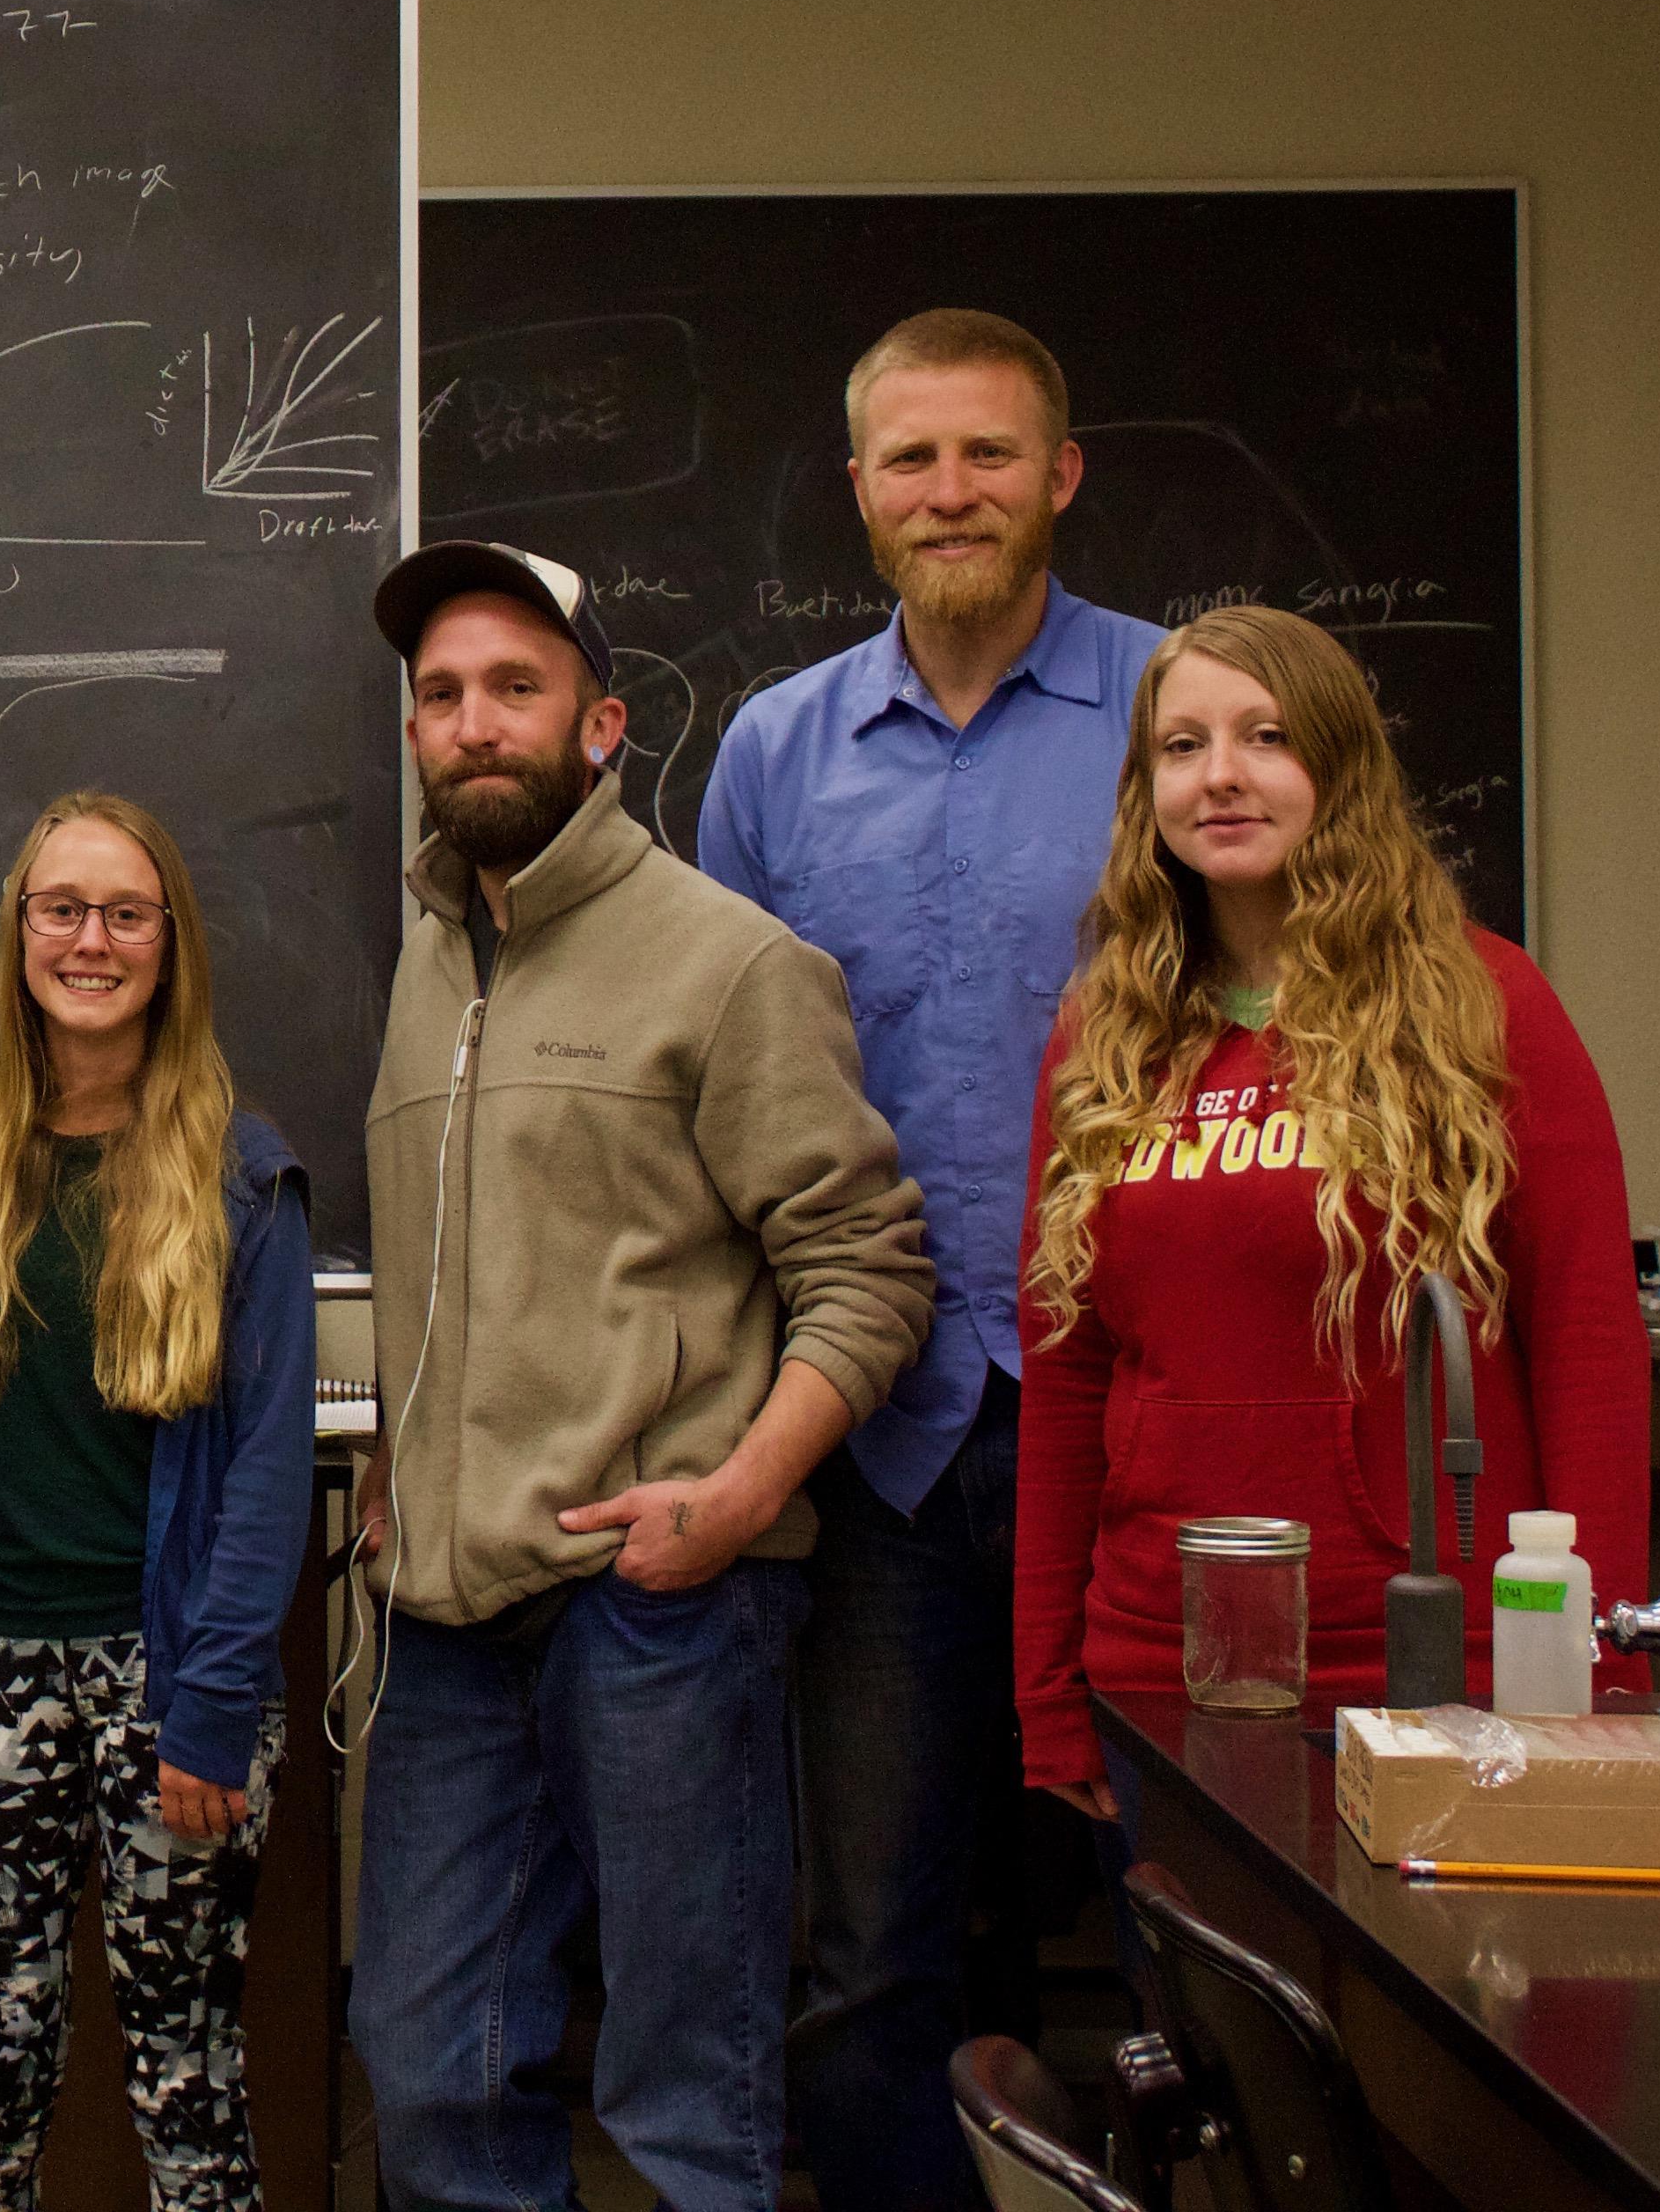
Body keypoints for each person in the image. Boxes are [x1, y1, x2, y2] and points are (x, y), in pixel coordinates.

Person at [351, 542, 930, 2212]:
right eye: (440, 696)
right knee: (425, 2070)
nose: (472, 725)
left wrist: (737, 1496)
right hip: (444, 1622)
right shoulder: (424, 963)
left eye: (512, 690)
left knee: (684, 2092)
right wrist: (404, 1442)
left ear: (598, 724)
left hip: (652, 1601)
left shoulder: (729, 963)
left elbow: (868, 1270)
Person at [691, 307, 1161, 2209]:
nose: (949, 491)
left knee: (1173, 1925)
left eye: (987, 455)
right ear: (864, 491)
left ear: (1060, 474)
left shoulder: (1176, 716)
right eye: (912, 460)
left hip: (1130, 1431)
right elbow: (713, 1092)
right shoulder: (778, 754)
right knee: (868, 1946)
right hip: (880, 1432)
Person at [1016, 606, 1648, 1814]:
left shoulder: (1485, 1002)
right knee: (1205, 2004)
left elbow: (1590, 1347)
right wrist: (1048, 1699)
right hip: (1165, 1660)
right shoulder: (1102, 1037)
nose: (1224, 778)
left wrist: (1599, 1671)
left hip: (1438, 1661)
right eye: (1184, 746)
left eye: (1268, 737)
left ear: (1340, 768)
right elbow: (1066, 1378)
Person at [0, 792, 317, 2212]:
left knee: (183, 2068)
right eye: (59, 909)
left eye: (122, 912)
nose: (88, 940)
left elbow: (264, 1468)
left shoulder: (243, 1175)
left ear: (166, 946)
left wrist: (216, 1699)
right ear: (17, 937)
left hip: (168, 1683)